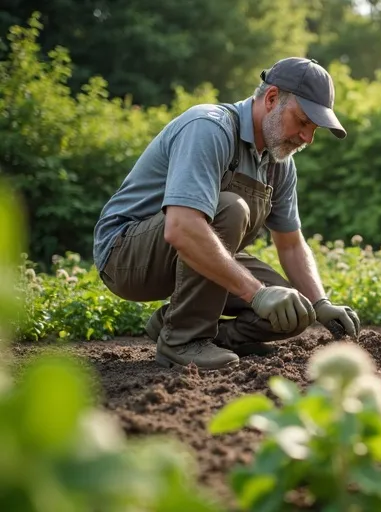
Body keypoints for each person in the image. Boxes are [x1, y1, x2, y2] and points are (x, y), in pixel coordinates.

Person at [92, 57, 361, 370]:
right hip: (127, 257)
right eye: (302, 122)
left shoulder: (279, 164)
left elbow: (290, 244)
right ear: (272, 98)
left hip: (192, 258)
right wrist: (257, 294)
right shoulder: (209, 127)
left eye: (313, 129)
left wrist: (319, 303)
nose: (307, 138)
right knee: (231, 207)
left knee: (292, 309)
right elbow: (181, 227)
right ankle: (183, 340)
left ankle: (183, 327)